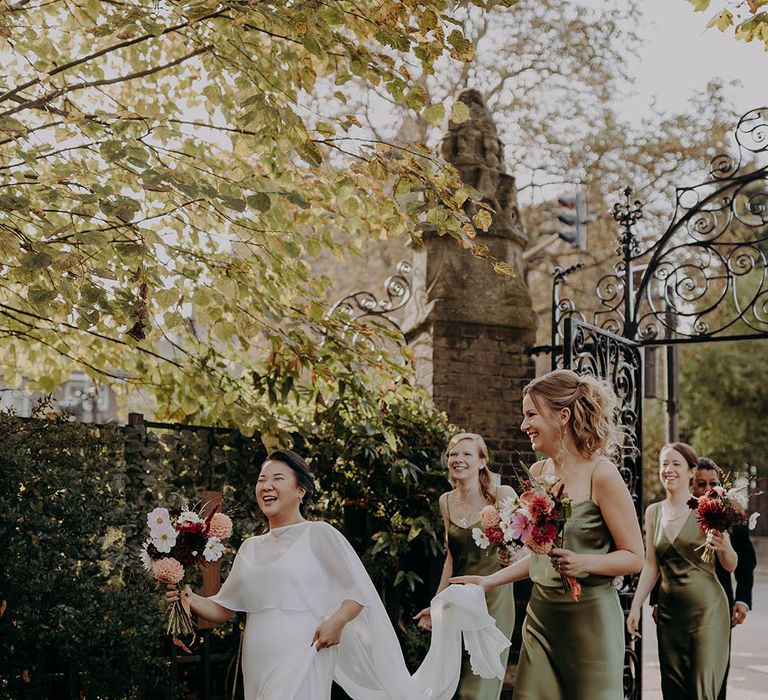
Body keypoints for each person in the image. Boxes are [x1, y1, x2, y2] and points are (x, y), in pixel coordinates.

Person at [165, 449, 511, 700]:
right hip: (258, 655)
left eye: (277, 479)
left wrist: (336, 622)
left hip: (306, 648)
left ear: (300, 489)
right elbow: (225, 609)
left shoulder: (319, 534)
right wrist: (188, 597)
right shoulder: (251, 547)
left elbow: (357, 591)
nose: (266, 486)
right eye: (261, 480)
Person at [450, 370, 644, 700]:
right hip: (541, 618)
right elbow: (540, 557)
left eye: (531, 415)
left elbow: (635, 557)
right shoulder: (539, 473)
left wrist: (583, 562)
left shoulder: (602, 473)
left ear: (563, 416)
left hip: (590, 623)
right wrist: (489, 581)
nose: (524, 425)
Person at [627, 444, 737, 700]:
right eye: (664, 464)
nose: (669, 470)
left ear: (691, 471)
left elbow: (731, 564)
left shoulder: (708, 509)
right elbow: (651, 565)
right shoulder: (653, 512)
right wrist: (636, 607)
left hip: (707, 613)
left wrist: (723, 547)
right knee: (674, 691)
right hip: (670, 618)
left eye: (676, 464)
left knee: (703, 691)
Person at [413, 432, 517, 700]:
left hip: (494, 600)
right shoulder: (445, 501)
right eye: (453, 454)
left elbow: (524, 545)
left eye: (467, 454)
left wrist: (511, 557)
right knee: (451, 685)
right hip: (458, 601)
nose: (458, 459)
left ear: (482, 461)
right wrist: (436, 603)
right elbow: (451, 556)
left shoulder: (502, 494)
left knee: (477, 690)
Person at [648, 457, 756, 700]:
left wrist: (742, 600)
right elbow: (660, 559)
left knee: (712, 678)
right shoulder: (671, 515)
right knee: (676, 679)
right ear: (690, 484)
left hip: (716, 609)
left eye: (712, 483)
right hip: (675, 611)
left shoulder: (729, 515)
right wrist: (656, 601)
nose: (707, 490)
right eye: (700, 484)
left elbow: (745, 563)